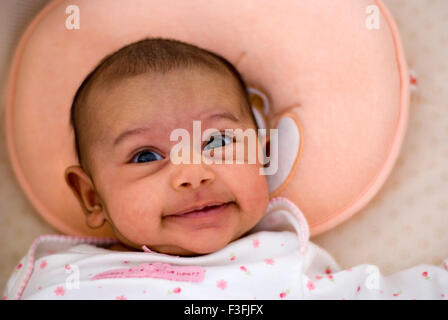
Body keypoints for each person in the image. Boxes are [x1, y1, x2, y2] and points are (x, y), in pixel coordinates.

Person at [3, 38, 447, 299]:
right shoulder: (62, 276)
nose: (193, 174)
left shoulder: (282, 265)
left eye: (218, 142)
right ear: (92, 197)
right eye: (146, 156)